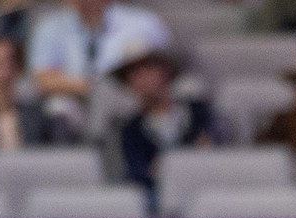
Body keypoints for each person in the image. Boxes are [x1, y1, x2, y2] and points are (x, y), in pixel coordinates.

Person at [110, 41, 216, 206]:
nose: (142, 78)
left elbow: (217, 149)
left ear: (165, 71)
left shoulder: (199, 112)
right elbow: (138, 173)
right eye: (134, 74)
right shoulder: (131, 129)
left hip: (205, 191)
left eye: (148, 69)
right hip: (157, 200)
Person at [26, 0, 168, 103]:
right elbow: (43, 80)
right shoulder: (50, 27)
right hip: (78, 101)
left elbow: (168, 70)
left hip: (132, 100)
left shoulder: (144, 23)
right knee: (59, 105)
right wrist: (94, 89)